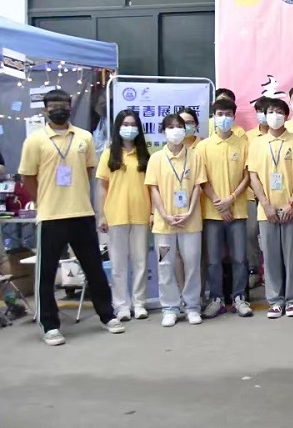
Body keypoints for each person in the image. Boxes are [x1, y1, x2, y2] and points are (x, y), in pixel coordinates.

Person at [19, 89, 125, 345]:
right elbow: (27, 176)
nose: (60, 109)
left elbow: (87, 170)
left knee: (95, 269)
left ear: (70, 107)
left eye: (64, 105)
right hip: (51, 216)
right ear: (45, 109)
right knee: (46, 274)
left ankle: (108, 316)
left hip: (82, 213)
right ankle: (49, 325)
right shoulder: (35, 140)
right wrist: (44, 200)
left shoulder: (84, 137)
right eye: (54, 106)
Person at [248, 98, 293, 319]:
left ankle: (292, 300)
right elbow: (253, 176)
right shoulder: (257, 143)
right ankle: (275, 301)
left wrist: (292, 202)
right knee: (271, 258)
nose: (274, 115)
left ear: (286, 116)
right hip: (266, 211)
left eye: (279, 111)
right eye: (270, 111)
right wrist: (265, 204)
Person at [145, 113, 208, 327]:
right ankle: (170, 307)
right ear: (163, 131)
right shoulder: (156, 158)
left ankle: (192, 306)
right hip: (164, 225)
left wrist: (189, 212)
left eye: (179, 126)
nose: (176, 130)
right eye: (170, 127)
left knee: (192, 264)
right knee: (165, 264)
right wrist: (164, 215)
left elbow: (198, 186)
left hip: (191, 223)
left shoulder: (195, 156)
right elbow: (153, 189)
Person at [197, 98, 252, 318]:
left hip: (238, 210)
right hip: (212, 212)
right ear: (213, 117)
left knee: (240, 258)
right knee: (213, 260)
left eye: (228, 114)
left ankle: (239, 298)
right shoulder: (203, 146)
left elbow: (248, 175)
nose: (224, 118)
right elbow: (202, 179)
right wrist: (220, 204)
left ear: (234, 116)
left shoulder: (243, 143)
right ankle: (216, 299)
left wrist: (232, 198)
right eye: (220, 114)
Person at [96, 109, 152, 322]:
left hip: (141, 215)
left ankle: (139, 303)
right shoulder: (109, 154)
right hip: (116, 215)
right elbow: (102, 187)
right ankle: (121, 305)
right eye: (125, 124)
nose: (129, 128)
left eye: (133, 124)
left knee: (140, 262)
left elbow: (152, 187)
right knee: (118, 265)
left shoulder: (145, 155)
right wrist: (101, 215)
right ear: (118, 127)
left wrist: (153, 212)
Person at [245, 96, 271, 289]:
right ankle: (254, 270)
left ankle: (272, 273)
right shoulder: (248, 137)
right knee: (251, 234)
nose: (263, 115)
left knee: (270, 237)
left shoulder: (284, 135)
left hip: (274, 195)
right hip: (251, 194)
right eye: (259, 111)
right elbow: (246, 168)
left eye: (266, 111)